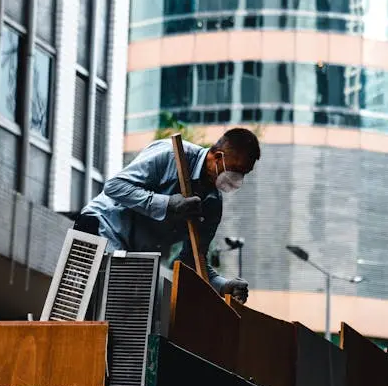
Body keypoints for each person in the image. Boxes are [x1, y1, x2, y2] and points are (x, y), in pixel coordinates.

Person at [74, 128, 260, 303]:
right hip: (102, 228)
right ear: (217, 157)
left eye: (243, 174)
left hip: (135, 256)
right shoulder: (171, 155)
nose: (237, 179)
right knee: (107, 303)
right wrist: (168, 204)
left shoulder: (211, 206)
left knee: (134, 316)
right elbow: (114, 187)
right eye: (235, 170)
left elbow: (193, 261)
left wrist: (222, 285)